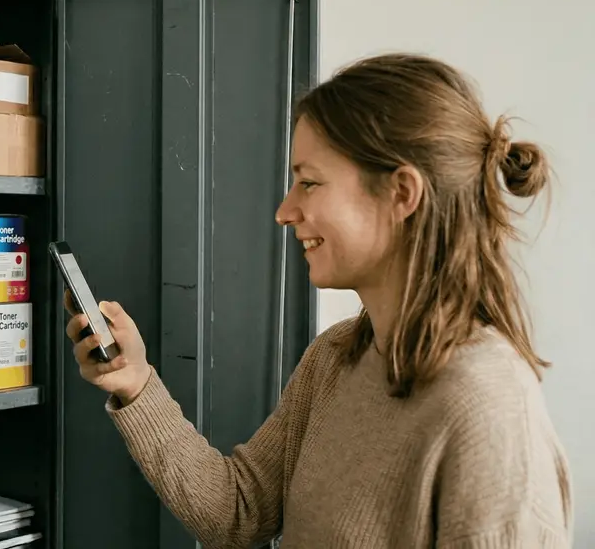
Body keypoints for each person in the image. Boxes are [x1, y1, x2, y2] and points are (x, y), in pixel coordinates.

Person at [65, 53, 572, 548]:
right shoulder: (337, 356)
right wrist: (135, 384)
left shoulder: (490, 410)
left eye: (308, 182)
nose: (285, 211)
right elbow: (239, 513)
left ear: (401, 194)